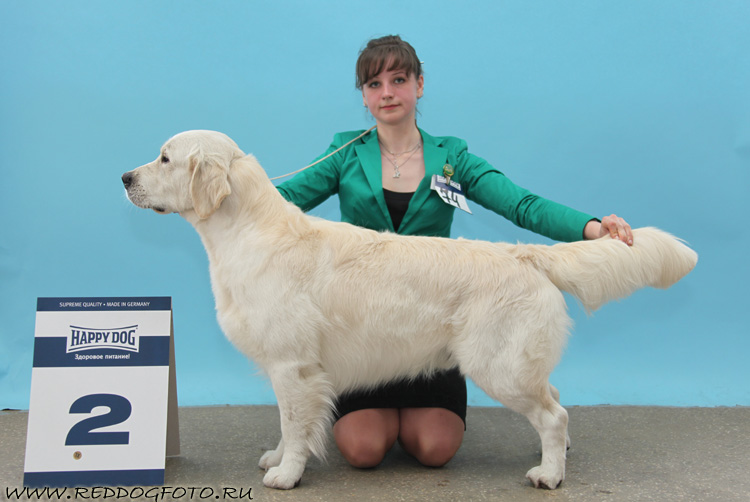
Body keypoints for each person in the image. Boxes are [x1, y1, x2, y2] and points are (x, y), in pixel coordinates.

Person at [276, 35, 633, 470]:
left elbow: (521, 204)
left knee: (433, 448)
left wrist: (594, 228)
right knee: (363, 450)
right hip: (365, 336)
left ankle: (539, 406)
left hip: (436, 326)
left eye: (398, 79)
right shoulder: (346, 152)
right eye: (373, 84)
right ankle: (382, 414)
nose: (386, 92)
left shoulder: (452, 156)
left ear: (419, 85)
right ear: (364, 96)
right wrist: (229, 191)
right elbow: (281, 203)